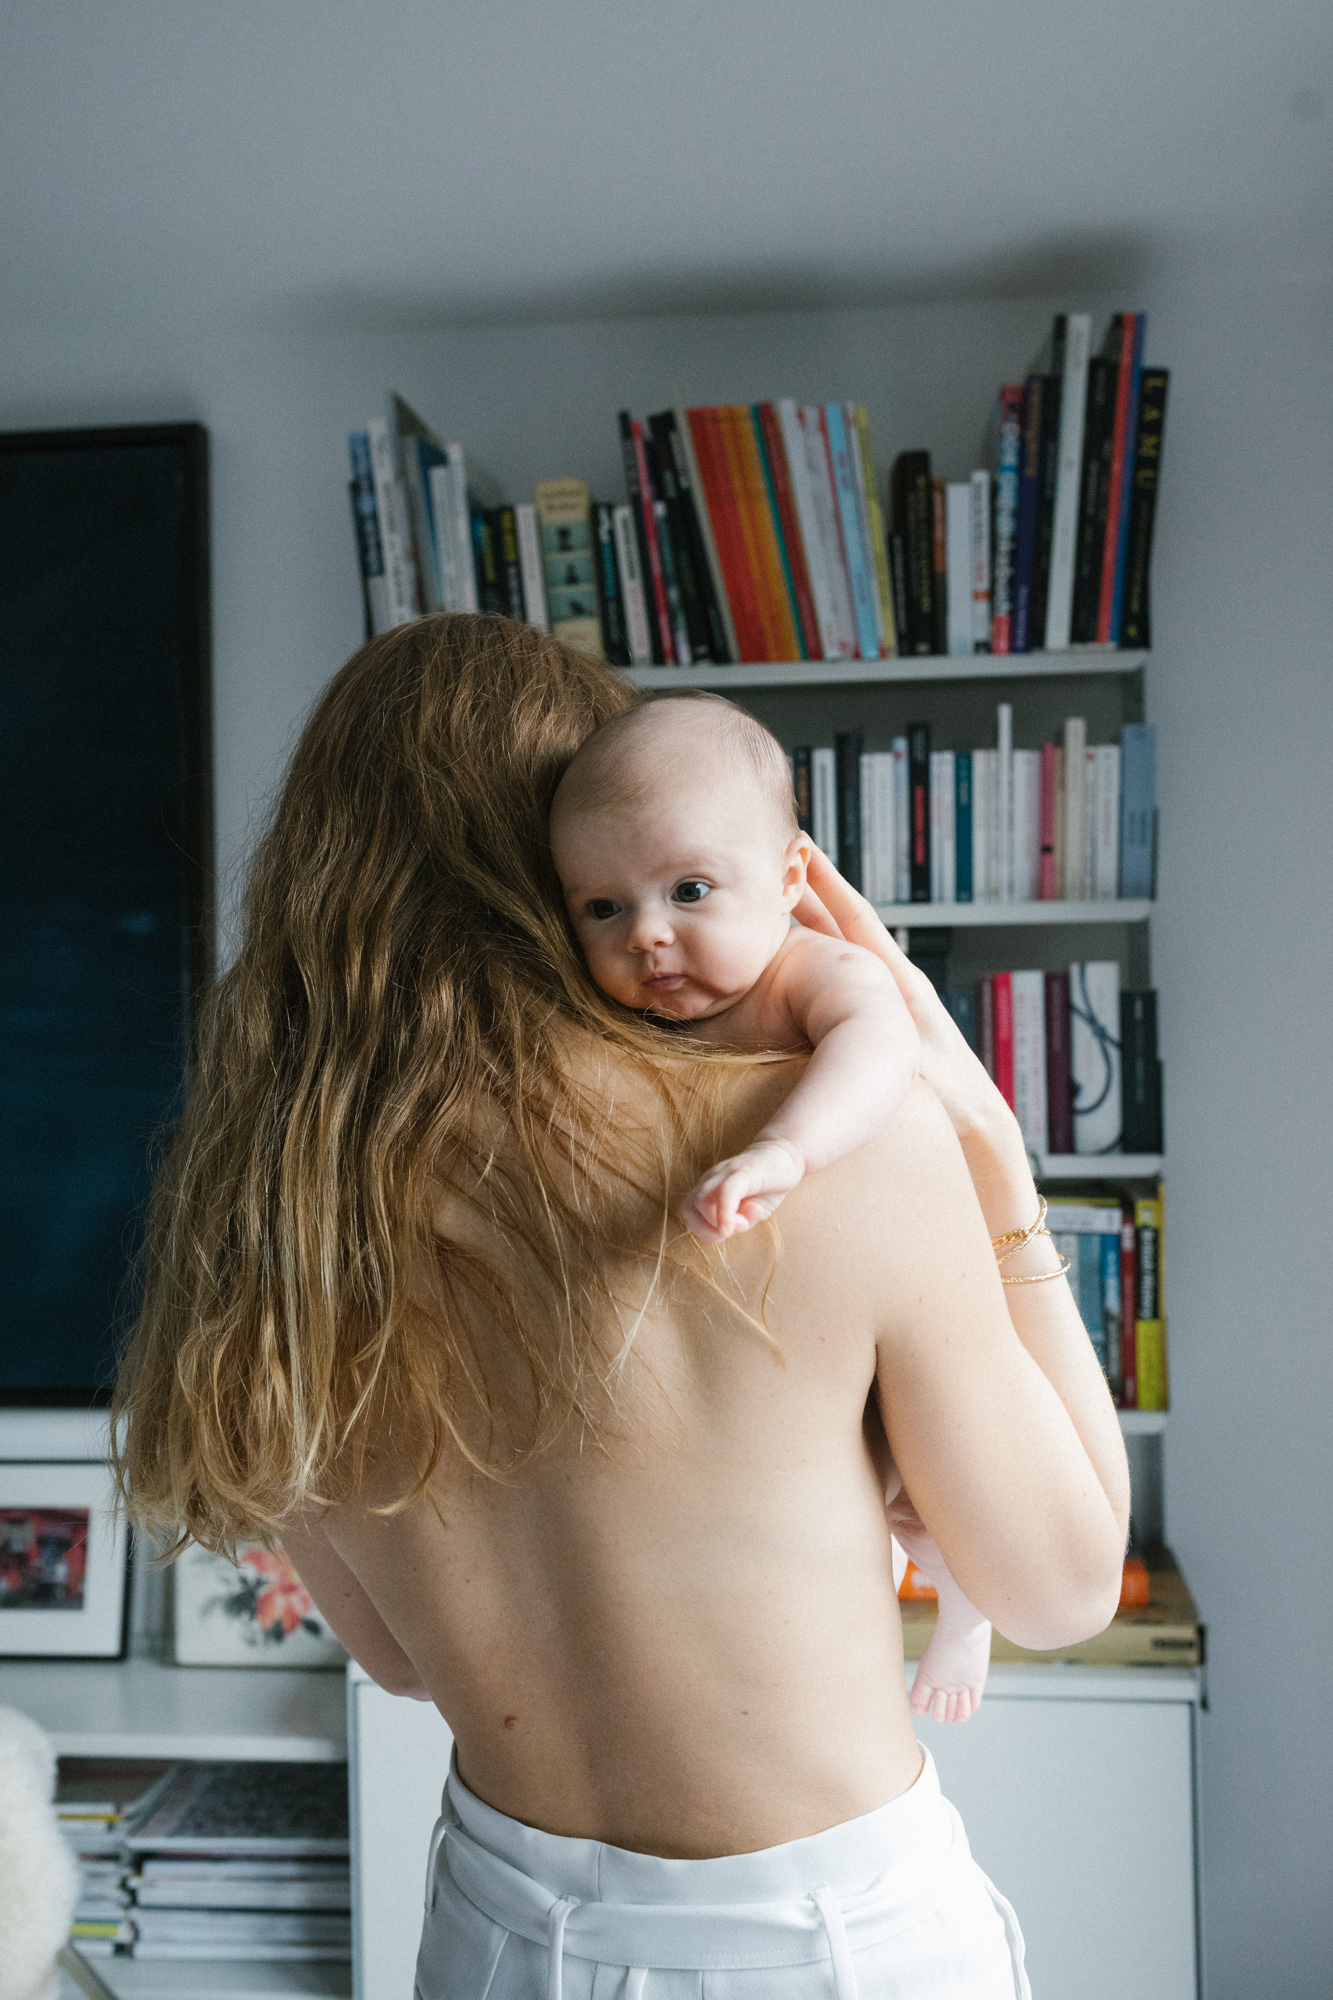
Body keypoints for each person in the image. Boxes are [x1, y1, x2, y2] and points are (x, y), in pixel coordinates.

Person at [113, 615, 1130, 2000]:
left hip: (496, 1933)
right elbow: (1063, 1587)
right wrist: (996, 1166)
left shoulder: (277, 1223)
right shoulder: (808, 1147)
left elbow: (405, 1663)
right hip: (822, 1947)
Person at [550, 690, 1002, 1723]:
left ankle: (968, 1609)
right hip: (788, 1299)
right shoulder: (641, 1012)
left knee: (938, 1479)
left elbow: (878, 1047)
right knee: (838, 1489)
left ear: (790, 877)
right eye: (603, 908)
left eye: (690, 888)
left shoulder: (808, 969)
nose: (650, 936)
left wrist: (787, 1147)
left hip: (897, 1266)